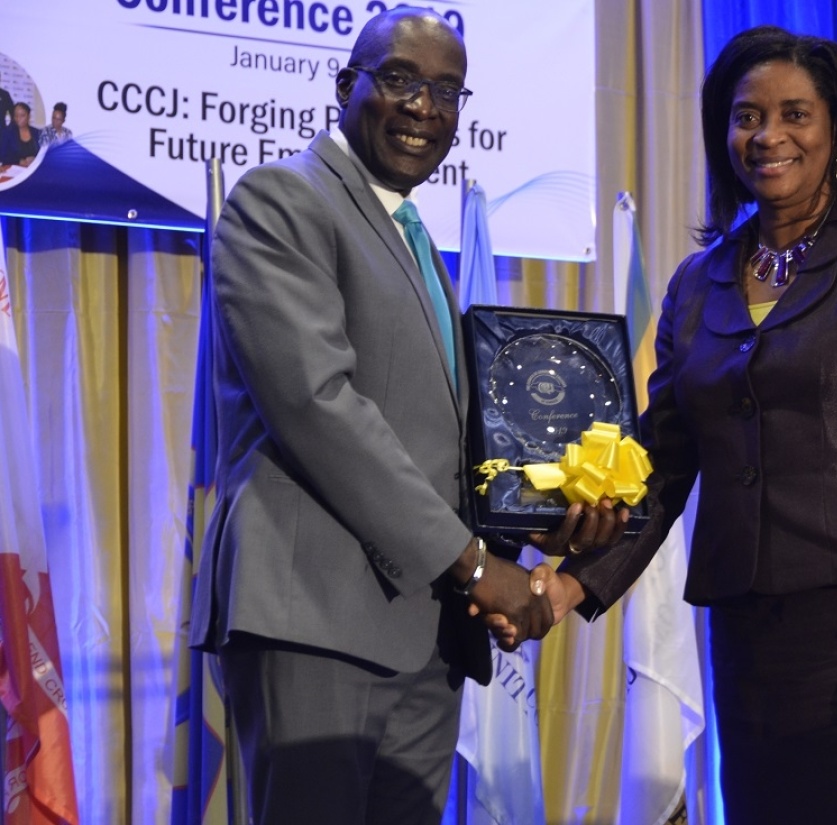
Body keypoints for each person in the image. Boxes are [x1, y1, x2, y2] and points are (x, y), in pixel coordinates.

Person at [502, 26, 837, 824]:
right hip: (749, 640)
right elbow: (662, 461)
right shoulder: (699, 282)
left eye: (795, 114)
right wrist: (571, 584)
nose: (767, 136)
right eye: (745, 115)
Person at [188, 8, 623, 824]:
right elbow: (320, 409)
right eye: (399, 80)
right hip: (314, 616)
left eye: (448, 91)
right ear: (346, 86)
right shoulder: (284, 199)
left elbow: (434, 441)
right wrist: (473, 564)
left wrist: (532, 531)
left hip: (426, 631)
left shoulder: (412, 233)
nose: (425, 106)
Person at [0, 103, 41, 167]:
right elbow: (2, 156)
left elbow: (44, 154)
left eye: (22, 115)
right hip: (14, 170)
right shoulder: (7, 133)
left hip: (33, 168)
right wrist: (19, 161)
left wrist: (35, 158)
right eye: (16, 115)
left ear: (29, 116)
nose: (18, 118)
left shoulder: (37, 133)